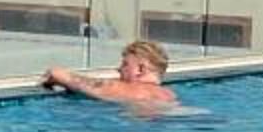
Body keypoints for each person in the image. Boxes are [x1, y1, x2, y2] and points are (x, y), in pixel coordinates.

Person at [42, 38, 178, 110]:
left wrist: (56, 74)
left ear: (140, 69)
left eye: (125, 64)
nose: (119, 69)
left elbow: (84, 83)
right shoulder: (168, 94)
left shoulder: (134, 89)